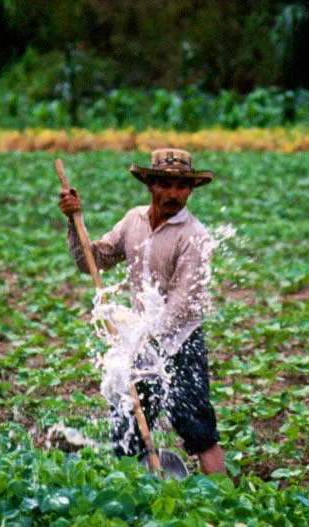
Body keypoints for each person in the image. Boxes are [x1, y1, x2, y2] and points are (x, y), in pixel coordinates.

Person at [58, 148, 226, 475]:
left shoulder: (194, 237)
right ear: (150, 185)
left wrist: (141, 343)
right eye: (165, 184)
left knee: (198, 430)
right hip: (139, 340)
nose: (174, 194)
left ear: (190, 190)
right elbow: (92, 260)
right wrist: (74, 220)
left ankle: (224, 503)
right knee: (128, 427)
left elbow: (180, 306)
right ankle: (134, 491)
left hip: (181, 343)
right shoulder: (133, 221)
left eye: (181, 187)